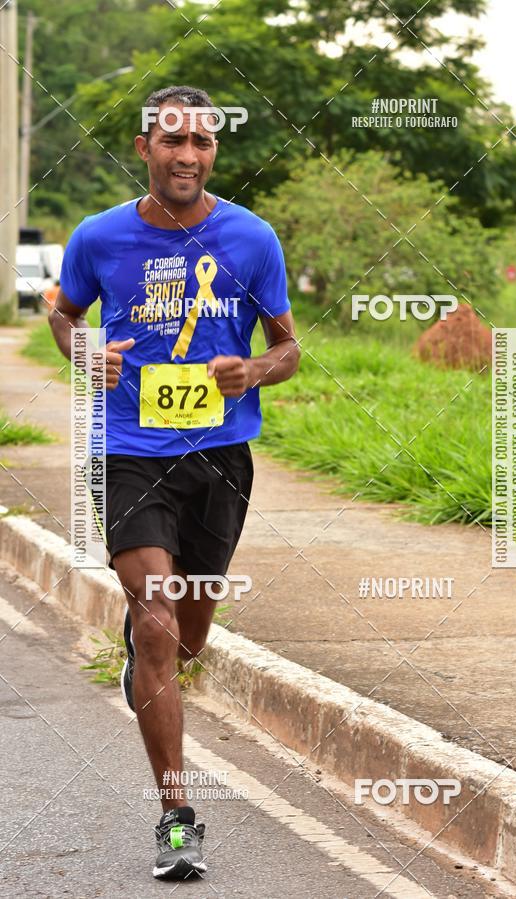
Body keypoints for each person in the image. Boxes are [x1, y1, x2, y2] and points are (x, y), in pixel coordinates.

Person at [48, 85, 299, 881]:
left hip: (221, 458)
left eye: (203, 142)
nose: (188, 155)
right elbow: (62, 311)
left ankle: (146, 655)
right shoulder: (99, 235)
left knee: (185, 637)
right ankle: (176, 818)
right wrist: (82, 349)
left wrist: (253, 368)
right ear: (145, 145)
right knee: (156, 619)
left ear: (214, 151)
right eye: (173, 140)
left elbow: (288, 346)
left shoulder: (252, 237)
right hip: (128, 451)